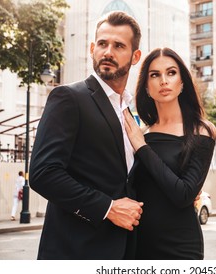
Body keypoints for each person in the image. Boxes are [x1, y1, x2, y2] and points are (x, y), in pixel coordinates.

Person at [29, 11, 143, 260]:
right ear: (92, 48)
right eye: (102, 44)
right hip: (74, 252)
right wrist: (108, 208)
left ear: (135, 56)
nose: (108, 52)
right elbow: (42, 173)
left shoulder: (128, 112)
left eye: (119, 46)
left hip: (122, 253)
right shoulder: (69, 97)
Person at [123, 47, 216, 259]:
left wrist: (142, 148)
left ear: (182, 82)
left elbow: (184, 194)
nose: (163, 80)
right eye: (155, 75)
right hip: (137, 245)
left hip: (180, 248)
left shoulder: (202, 130)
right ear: (146, 87)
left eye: (171, 73)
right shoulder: (141, 133)